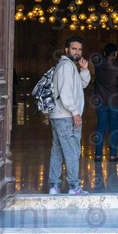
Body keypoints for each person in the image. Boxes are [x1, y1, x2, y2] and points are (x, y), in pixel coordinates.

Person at [47, 36, 90, 195]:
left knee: (58, 150)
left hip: (60, 116)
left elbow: (81, 86)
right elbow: (66, 94)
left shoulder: (70, 66)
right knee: (72, 151)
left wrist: (84, 70)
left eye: (79, 50)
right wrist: (75, 113)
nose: (77, 52)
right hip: (66, 117)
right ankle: (74, 187)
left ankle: (54, 186)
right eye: (74, 49)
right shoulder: (66, 66)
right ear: (66, 50)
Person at [91, 42, 118, 162]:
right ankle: (112, 155)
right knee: (114, 128)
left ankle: (98, 155)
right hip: (116, 101)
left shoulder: (98, 65)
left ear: (105, 53)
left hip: (101, 101)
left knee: (100, 127)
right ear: (116, 54)